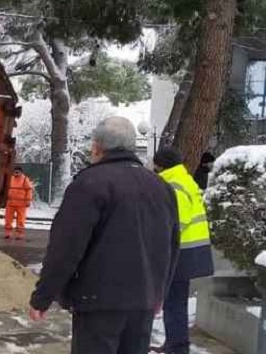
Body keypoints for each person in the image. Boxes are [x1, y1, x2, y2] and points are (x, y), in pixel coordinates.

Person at [29, 116, 180, 354]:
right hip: (143, 301)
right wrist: (160, 292)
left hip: (98, 302)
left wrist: (43, 296)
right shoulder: (161, 187)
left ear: (97, 147)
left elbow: (66, 248)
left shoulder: (89, 184)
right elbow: (171, 245)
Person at [153, 148, 214, 354]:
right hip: (190, 251)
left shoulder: (174, 185)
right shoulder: (183, 179)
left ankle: (177, 347)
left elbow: (178, 222)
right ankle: (175, 343)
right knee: (174, 301)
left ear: (160, 165)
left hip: (182, 253)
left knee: (174, 302)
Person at [4, 166, 33, 240]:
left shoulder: (25, 179)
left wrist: (28, 201)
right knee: (8, 219)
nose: (16, 173)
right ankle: (8, 233)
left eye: (18, 171)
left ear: (21, 172)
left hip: (21, 204)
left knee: (21, 219)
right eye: (15, 171)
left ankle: (20, 234)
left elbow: (29, 190)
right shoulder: (10, 179)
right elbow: (6, 189)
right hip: (10, 203)